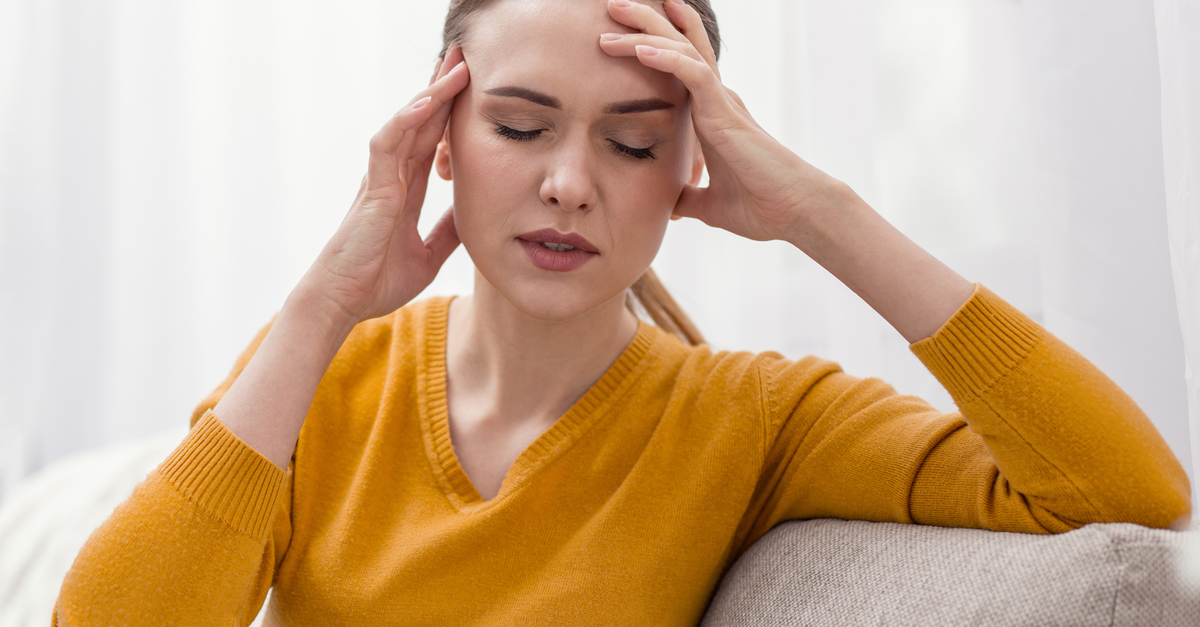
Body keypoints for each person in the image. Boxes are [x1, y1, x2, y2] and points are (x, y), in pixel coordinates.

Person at [54, 0, 1191, 624]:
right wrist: (322, 304)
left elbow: (1123, 494)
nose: (571, 183)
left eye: (635, 140)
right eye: (519, 125)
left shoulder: (753, 418)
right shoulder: (323, 376)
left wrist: (820, 212)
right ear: (438, 141)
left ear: (690, 162)